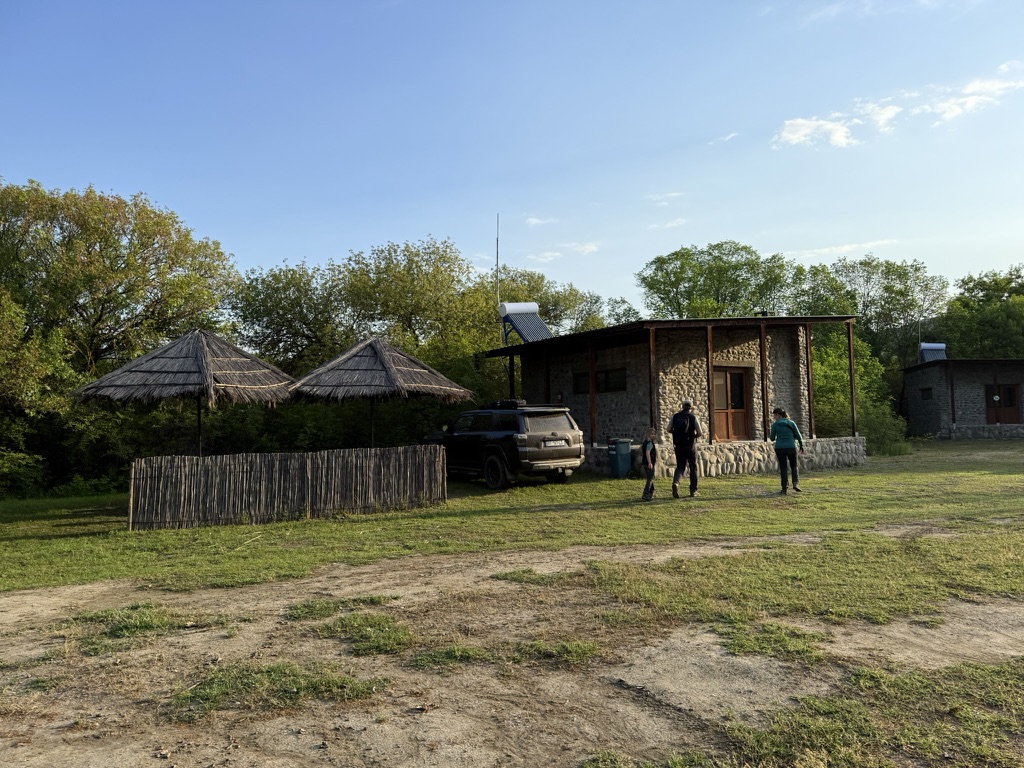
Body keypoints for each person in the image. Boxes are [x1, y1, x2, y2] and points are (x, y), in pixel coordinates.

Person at [666, 401, 702, 497]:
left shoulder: (675, 416)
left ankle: (676, 483)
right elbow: (700, 432)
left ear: (682, 407)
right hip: (690, 446)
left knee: (680, 467)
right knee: (693, 467)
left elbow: (668, 429)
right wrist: (693, 436)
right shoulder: (693, 417)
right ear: (691, 408)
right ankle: (693, 491)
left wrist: (676, 433)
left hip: (678, 445)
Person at [769, 407, 804, 494]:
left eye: (774, 415)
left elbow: (772, 438)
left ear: (778, 415)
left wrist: (777, 434)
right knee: (794, 466)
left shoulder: (775, 425)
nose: (773, 417)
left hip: (780, 448)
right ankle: (795, 484)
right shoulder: (791, 423)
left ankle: (784, 488)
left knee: (783, 468)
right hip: (791, 447)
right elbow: (799, 435)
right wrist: (801, 446)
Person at [640, 427, 657, 501]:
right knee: (650, 479)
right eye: (651, 434)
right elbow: (647, 453)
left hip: (644, 463)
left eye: (654, 434)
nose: (653, 435)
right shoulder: (649, 443)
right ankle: (645, 494)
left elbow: (641, 450)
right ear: (648, 435)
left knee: (650, 478)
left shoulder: (644, 443)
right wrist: (650, 462)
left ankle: (651, 492)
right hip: (648, 463)